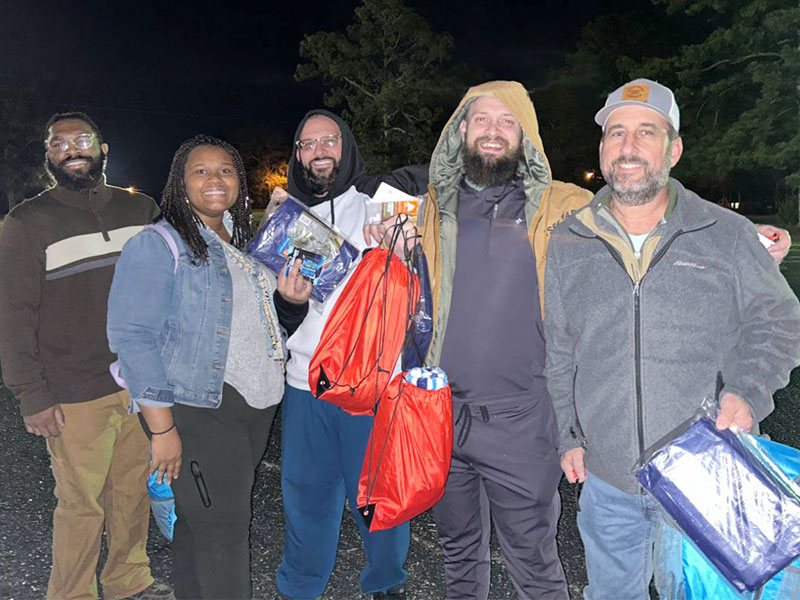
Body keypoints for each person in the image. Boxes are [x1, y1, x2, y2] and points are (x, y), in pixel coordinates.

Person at [544, 78, 800, 599]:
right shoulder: (569, 239)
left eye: (646, 132)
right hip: (609, 482)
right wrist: (567, 435)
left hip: (708, 469)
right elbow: (560, 348)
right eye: (616, 133)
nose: (629, 147)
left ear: (674, 149)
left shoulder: (724, 234)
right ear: (602, 149)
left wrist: (748, 392)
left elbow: (778, 320)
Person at [382, 80, 590, 600]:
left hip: (522, 420)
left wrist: (745, 240)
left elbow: (647, 216)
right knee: (458, 554)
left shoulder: (568, 206)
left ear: (527, 135)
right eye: (482, 120)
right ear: (461, 131)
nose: (493, 132)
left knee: (534, 563)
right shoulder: (427, 209)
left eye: (507, 121)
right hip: (441, 417)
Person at [106, 135, 310, 599]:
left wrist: (291, 304)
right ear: (180, 184)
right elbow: (133, 338)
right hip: (198, 409)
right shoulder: (158, 244)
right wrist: (162, 430)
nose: (215, 179)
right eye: (200, 171)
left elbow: (259, 326)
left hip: (253, 408)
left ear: (239, 181)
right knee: (224, 534)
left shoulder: (240, 243)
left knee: (198, 529)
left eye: (226, 170)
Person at [0, 112, 172, 600]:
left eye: (83, 139)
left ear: (104, 148)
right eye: (59, 143)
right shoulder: (27, 222)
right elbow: (13, 314)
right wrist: (31, 393)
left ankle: (128, 581)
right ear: (50, 157)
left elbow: (169, 282)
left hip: (139, 384)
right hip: (74, 390)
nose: (72, 149)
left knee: (132, 493)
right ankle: (72, 593)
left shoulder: (141, 211)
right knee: (80, 505)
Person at [275, 110, 410, 600]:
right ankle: (299, 586)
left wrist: (400, 226)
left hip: (373, 384)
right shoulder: (286, 217)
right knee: (306, 496)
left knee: (377, 497)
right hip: (304, 382)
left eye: (329, 140)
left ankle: (386, 582)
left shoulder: (381, 200)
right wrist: (288, 303)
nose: (320, 151)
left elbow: (438, 181)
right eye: (308, 144)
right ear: (297, 155)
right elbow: (280, 318)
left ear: (346, 145)